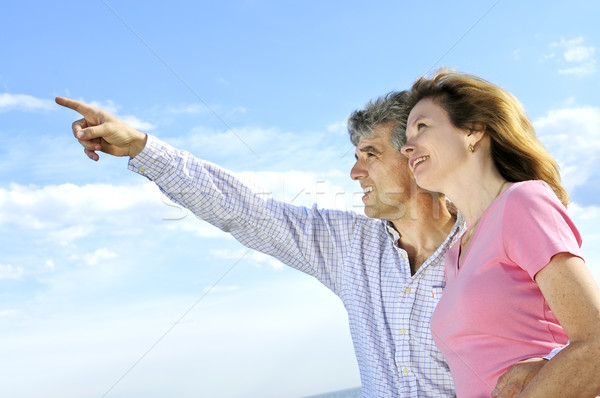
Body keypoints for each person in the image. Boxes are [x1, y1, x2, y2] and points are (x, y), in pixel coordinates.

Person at [56, 93, 544, 397]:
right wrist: (143, 148)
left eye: (370, 155)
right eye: (355, 157)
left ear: (417, 156)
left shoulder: (492, 238)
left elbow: (565, 344)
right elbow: (244, 209)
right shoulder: (347, 245)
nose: (355, 173)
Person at [401, 69, 600, 398]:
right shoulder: (457, 253)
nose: (408, 147)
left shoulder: (522, 202)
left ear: (473, 131)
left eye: (422, 126)